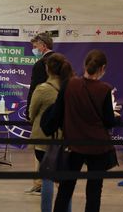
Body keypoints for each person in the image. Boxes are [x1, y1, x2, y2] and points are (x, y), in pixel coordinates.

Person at [53, 50, 120, 212]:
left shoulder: (69, 85)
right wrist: (117, 117)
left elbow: (59, 112)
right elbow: (109, 122)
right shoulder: (104, 89)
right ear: (103, 68)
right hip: (98, 147)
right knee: (94, 191)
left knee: (65, 189)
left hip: (73, 145)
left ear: (85, 65)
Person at [29, 53, 73, 212]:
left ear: (47, 69)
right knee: (65, 182)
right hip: (66, 139)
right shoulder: (71, 87)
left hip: (43, 139)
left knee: (47, 179)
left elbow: (31, 113)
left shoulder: (42, 89)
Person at [25, 32, 55, 194]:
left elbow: (34, 90)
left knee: (40, 150)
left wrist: (30, 112)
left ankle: (41, 184)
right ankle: (46, 183)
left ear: (43, 45)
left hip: (42, 115)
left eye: (35, 46)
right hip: (59, 114)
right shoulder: (62, 61)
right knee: (55, 149)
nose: (33, 49)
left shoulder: (40, 64)